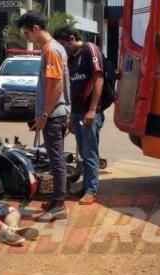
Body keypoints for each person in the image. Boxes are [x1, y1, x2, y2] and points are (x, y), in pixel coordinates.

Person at [18, 11, 71, 222]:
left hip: (54, 115)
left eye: (26, 33)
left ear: (36, 28)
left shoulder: (51, 50)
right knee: (54, 159)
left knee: (56, 161)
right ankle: (56, 200)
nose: (27, 38)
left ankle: (59, 205)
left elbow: (56, 86)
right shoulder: (56, 48)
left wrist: (44, 115)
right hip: (56, 113)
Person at [54, 27, 104, 206]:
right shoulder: (71, 58)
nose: (62, 49)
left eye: (63, 45)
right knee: (83, 153)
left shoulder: (90, 50)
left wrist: (92, 109)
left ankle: (91, 190)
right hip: (76, 112)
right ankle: (85, 187)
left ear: (71, 39)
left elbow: (98, 78)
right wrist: (71, 117)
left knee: (90, 153)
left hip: (89, 112)